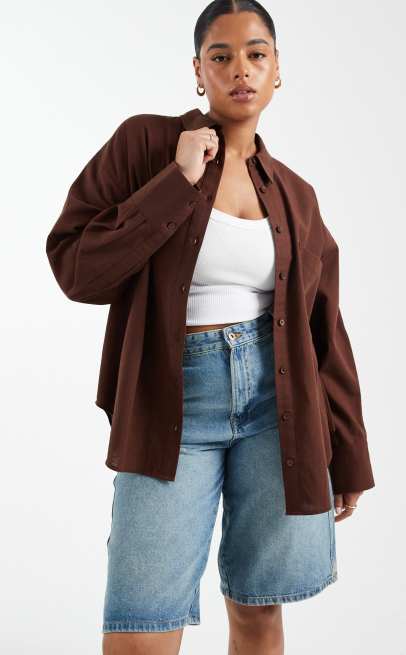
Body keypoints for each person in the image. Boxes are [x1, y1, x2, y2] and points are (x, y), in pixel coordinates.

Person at [45, 1, 375, 653]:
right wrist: (177, 181)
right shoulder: (146, 146)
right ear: (198, 72)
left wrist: (348, 451)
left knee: (257, 610)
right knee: (141, 627)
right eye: (220, 57)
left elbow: (324, 330)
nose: (240, 69)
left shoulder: (295, 195)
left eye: (256, 54)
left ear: (277, 70)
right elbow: (76, 269)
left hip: (278, 409)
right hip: (171, 403)